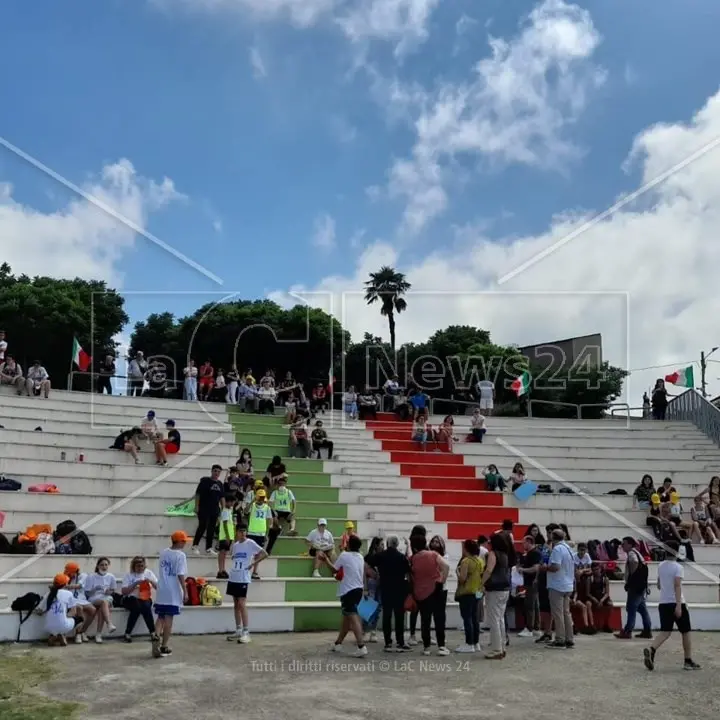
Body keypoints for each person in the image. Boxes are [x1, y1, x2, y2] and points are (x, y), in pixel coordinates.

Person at [643, 542, 700, 671]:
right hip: (676, 602)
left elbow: (658, 584)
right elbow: (677, 585)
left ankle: (652, 650)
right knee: (685, 632)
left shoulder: (661, 566)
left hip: (663, 603)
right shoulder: (678, 567)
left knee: (665, 632)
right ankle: (688, 660)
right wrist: (679, 605)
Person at [322, 534, 369, 657]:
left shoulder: (344, 556)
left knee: (352, 617)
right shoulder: (360, 556)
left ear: (348, 544)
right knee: (346, 619)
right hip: (358, 589)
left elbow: (334, 570)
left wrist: (326, 559)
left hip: (348, 591)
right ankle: (338, 643)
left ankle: (361, 646)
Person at [225, 523, 268, 644]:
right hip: (234, 576)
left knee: (242, 603)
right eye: (240, 531)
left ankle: (246, 632)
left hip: (243, 577)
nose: (243, 533)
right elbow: (233, 557)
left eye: (244, 531)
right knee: (235, 604)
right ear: (237, 532)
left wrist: (252, 564)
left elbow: (265, 553)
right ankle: (238, 629)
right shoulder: (236, 545)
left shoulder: (250, 543)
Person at [367, 534, 411, 652]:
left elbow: (368, 559)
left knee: (387, 616)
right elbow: (408, 572)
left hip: (385, 588)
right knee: (399, 617)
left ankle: (388, 642)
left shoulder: (381, 556)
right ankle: (400, 641)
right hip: (399, 590)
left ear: (387, 544)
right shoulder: (401, 557)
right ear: (397, 544)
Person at [410, 535, 451, 656]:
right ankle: (441, 646)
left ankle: (426, 647)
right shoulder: (433, 555)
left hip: (421, 592)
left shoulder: (413, 558)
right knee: (439, 618)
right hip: (436, 589)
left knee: (425, 620)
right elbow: (446, 566)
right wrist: (442, 580)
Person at [152, 531, 189, 658]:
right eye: (183, 541)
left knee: (160, 616)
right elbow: (180, 574)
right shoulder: (180, 555)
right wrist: (185, 590)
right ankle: (164, 645)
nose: (185, 543)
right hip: (172, 590)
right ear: (178, 541)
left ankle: (156, 634)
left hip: (162, 587)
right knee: (169, 618)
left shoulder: (163, 553)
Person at [542, 528, 575, 649]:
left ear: (552, 536)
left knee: (558, 613)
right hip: (567, 584)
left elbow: (555, 567)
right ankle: (569, 638)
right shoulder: (568, 548)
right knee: (566, 613)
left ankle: (560, 639)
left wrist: (545, 567)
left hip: (557, 585)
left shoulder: (557, 549)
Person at [615, 536, 652, 640]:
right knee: (642, 608)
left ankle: (627, 631)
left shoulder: (631, 554)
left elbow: (634, 563)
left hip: (635, 586)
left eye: (624, 544)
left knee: (631, 608)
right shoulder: (637, 553)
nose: (622, 546)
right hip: (641, 586)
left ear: (630, 544)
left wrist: (631, 578)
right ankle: (647, 630)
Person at [482, 532, 511, 658]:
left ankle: (496, 649)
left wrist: (480, 583)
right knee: (500, 619)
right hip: (504, 588)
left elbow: (489, 570)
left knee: (494, 619)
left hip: (494, 589)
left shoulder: (493, 554)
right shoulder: (505, 555)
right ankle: (502, 646)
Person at [35, 574, 82, 646]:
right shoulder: (68, 593)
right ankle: (62, 635)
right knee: (80, 619)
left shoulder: (48, 594)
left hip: (48, 626)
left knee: (58, 622)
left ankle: (54, 635)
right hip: (63, 625)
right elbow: (73, 612)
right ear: (65, 584)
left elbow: (39, 611)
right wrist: (63, 615)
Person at [455, 539, 484, 653]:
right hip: (478, 591)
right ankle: (476, 643)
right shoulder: (480, 561)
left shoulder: (466, 561)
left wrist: (457, 572)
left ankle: (469, 643)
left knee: (467, 618)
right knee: (474, 617)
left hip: (467, 592)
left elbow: (462, 579)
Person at [121, 556, 158, 642]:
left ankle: (152, 632)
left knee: (145, 606)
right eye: (138, 566)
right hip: (131, 598)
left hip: (145, 597)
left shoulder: (149, 573)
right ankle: (128, 633)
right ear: (134, 566)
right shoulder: (129, 575)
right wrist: (135, 584)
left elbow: (157, 587)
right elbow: (124, 592)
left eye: (142, 566)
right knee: (137, 607)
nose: (140, 568)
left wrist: (150, 581)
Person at [191, 464, 224, 556]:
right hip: (203, 508)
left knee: (211, 529)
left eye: (218, 472)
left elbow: (222, 497)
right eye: (215, 471)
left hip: (214, 509)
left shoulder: (220, 484)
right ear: (212, 471)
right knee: (202, 526)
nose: (216, 473)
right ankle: (195, 545)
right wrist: (196, 506)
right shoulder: (205, 481)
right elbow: (198, 494)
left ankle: (208, 548)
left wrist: (223, 509)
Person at [84, 557, 117, 643]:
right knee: (103, 603)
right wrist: (95, 589)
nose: (104, 567)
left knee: (103, 604)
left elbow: (113, 590)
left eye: (106, 565)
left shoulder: (111, 576)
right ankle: (108, 624)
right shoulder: (91, 577)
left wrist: (108, 592)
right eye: (102, 565)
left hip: (106, 598)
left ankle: (99, 633)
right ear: (98, 566)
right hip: (94, 598)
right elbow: (87, 593)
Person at [63, 561, 95, 643]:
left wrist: (66, 585)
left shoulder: (83, 576)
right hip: (72, 600)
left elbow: (79, 586)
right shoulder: (66, 576)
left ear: (75, 571)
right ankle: (78, 634)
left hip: (82, 599)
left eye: (70, 572)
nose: (69, 574)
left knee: (93, 610)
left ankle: (83, 631)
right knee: (79, 609)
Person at [518, 535, 542, 638]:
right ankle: (536, 627)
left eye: (524, 542)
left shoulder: (535, 553)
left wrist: (523, 570)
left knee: (530, 606)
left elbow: (535, 568)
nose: (523, 545)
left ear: (529, 542)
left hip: (532, 583)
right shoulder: (530, 554)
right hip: (530, 582)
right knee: (535, 605)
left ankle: (529, 628)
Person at [247, 489, 272, 577]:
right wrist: (251, 502)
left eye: (262, 497)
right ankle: (246, 569)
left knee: (258, 553)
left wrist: (266, 534)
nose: (261, 499)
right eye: (259, 497)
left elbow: (269, 520)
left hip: (261, 533)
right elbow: (245, 511)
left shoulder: (267, 507)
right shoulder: (252, 505)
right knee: (249, 553)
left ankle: (255, 571)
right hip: (251, 532)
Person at [216, 493, 237, 579]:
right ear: (228, 502)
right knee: (222, 553)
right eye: (231, 502)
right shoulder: (225, 511)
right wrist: (228, 536)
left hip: (229, 535)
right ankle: (220, 570)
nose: (232, 504)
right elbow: (224, 524)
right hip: (224, 536)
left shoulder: (229, 511)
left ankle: (223, 569)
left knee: (224, 554)